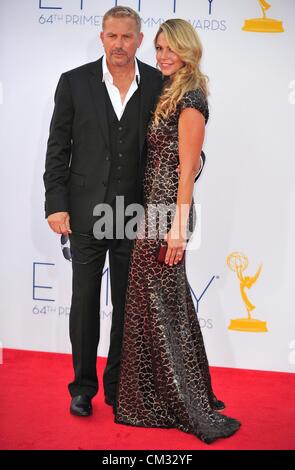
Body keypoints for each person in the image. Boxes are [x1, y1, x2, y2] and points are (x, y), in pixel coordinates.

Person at [114, 19, 241, 444]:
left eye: (172, 48)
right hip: (154, 212)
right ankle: (169, 395)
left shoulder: (190, 97)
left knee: (157, 306)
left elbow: (188, 170)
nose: (163, 55)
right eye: (160, 47)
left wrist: (178, 230)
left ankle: (176, 401)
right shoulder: (171, 90)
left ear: (189, 50)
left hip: (168, 216)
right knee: (163, 305)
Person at [43, 6, 164, 417]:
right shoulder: (74, 83)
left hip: (135, 214)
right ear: (101, 38)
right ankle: (82, 388)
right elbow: (57, 150)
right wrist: (56, 204)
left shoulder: (158, 85)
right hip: (85, 211)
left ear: (139, 40)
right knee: (84, 301)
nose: (119, 44)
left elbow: (170, 149)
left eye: (127, 36)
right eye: (112, 36)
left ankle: (117, 385)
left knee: (128, 307)